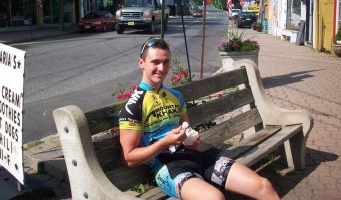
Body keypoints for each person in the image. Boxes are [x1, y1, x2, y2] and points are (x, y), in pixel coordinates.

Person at [118, 37, 280, 200]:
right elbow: (129, 159)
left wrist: (192, 141)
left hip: (197, 158)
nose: (162, 68)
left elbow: (187, 130)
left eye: (166, 62)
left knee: (263, 185)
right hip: (168, 169)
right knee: (215, 198)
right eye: (155, 62)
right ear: (141, 63)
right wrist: (166, 142)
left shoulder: (176, 97)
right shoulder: (133, 107)